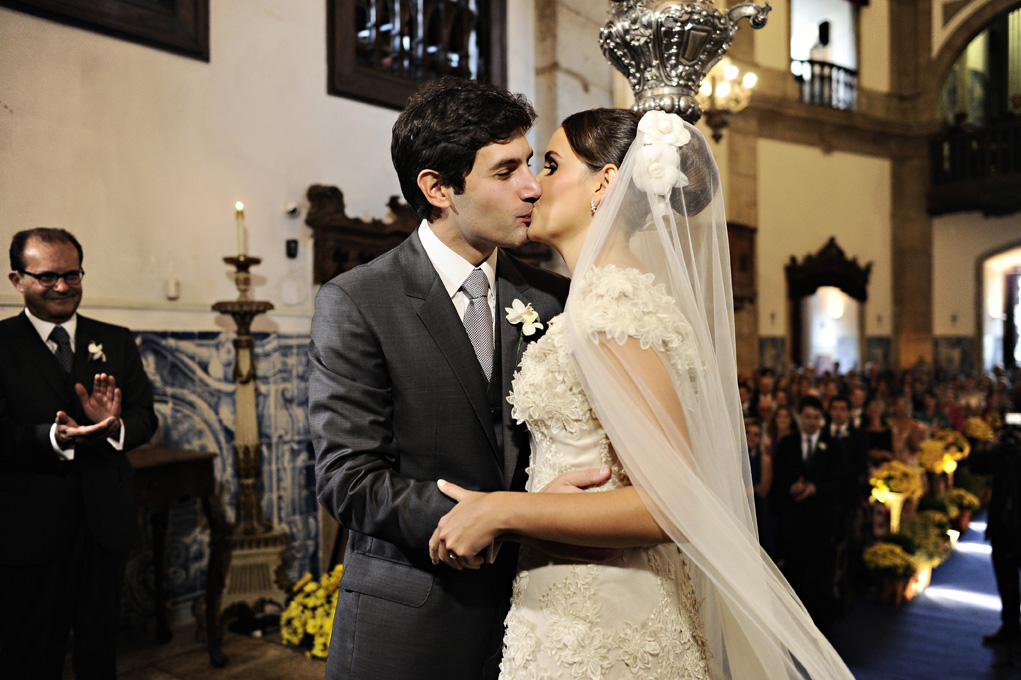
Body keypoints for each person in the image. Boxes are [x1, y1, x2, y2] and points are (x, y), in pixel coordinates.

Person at [429, 108, 853, 678]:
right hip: (575, 592)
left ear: (605, 183)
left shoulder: (613, 306)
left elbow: (670, 501)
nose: (532, 185)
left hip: (605, 616)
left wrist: (505, 511)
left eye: (550, 165)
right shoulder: (605, 297)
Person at [307, 77, 574, 680]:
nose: (533, 186)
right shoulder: (358, 301)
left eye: (530, 163)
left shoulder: (554, 298)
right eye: (506, 171)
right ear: (437, 188)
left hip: (539, 616)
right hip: (412, 623)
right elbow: (348, 477)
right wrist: (486, 517)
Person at [0, 228, 157, 679]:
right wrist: (54, 438)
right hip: (29, 525)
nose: (62, 286)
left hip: (103, 521)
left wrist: (115, 426)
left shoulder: (115, 339)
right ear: (17, 279)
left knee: (99, 652)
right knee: (31, 653)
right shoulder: (3, 343)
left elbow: (146, 416)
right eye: (47, 277)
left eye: (72, 275)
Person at [770, 395, 841, 630]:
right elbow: (778, 476)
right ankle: (793, 623)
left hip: (820, 519)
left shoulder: (833, 444)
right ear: (800, 417)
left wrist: (813, 489)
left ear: (822, 419)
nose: (811, 421)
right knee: (794, 570)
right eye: (808, 416)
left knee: (819, 571)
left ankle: (820, 623)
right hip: (794, 519)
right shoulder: (788, 442)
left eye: (816, 417)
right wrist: (793, 487)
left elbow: (838, 481)